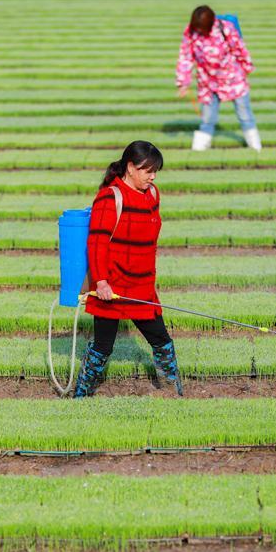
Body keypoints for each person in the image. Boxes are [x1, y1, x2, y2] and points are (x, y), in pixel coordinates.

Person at [73, 141, 183, 398]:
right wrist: (100, 282)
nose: (153, 176)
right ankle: (80, 395)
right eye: (148, 170)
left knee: (161, 340)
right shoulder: (110, 197)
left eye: (155, 171)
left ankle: (172, 392)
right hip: (112, 287)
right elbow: (97, 243)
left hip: (142, 285)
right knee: (102, 346)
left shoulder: (152, 194)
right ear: (131, 168)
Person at [175, 5, 261, 152]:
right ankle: (199, 149)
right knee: (207, 117)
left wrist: (246, 71)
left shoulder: (225, 28)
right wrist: (183, 82)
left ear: (209, 24)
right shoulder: (190, 32)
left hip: (233, 79)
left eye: (201, 29)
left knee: (244, 114)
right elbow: (186, 57)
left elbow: (240, 49)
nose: (199, 31)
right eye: (197, 28)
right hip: (207, 82)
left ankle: (255, 146)